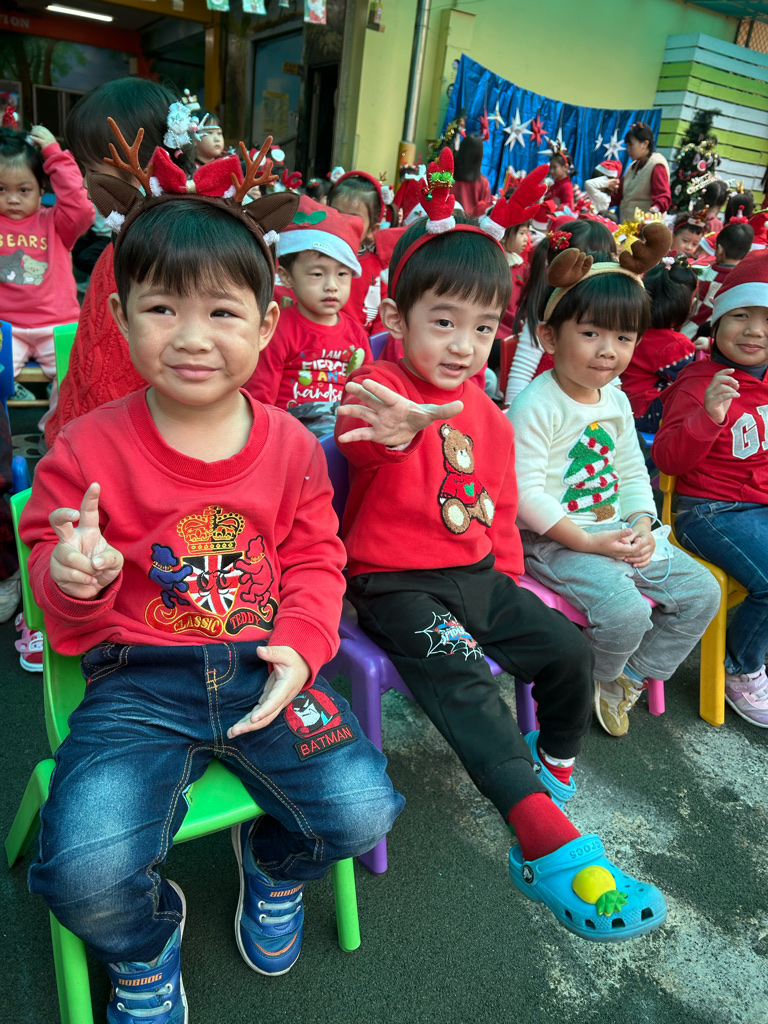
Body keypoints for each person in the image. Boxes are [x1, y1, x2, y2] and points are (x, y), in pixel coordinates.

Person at [19, 123, 403, 1024]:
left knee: (363, 811)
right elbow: (50, 579)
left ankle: (272, 864)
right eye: (161, 308)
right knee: (81, 873)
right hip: (138, 681)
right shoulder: (87, 448)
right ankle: (146, 943)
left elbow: (316, 556)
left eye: (223, 313)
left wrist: (303, 644)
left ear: (266, 325)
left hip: (266, 667)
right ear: (119, 317)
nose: (192, 338)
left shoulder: (291, 446)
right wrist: (71, 575)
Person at [334, 149, 668, 944]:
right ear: (397, 320)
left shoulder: (485, 411)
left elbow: (502, 505)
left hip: (479, 573)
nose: (463, 344)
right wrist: (397, 433)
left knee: (567, 650)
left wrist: (510, 580)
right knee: (461, 678)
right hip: (395, 584)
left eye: (483, 328)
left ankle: (551, 769)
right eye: (443, 322)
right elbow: (361, 448)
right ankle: (539, 835)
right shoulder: (379, 390)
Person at [509, 227, 720, 739]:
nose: (608, 351)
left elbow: (630, 471)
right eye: (591, 334)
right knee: (625, 612)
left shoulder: (617, 400)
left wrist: (644, 523)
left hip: (619, 531)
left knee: (702, 592)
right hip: (558, 540)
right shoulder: (536, 405)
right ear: (550, 337)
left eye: (624, 338)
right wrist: (587, 541)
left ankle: (626, 675)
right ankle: (594, 675)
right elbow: (524, 495)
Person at [45, 77, 195, 449]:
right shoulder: (119, 240)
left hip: (133, 443)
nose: (86, 183)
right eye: (83, 168)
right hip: (87, 430)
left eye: (95, 169)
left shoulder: (177, 253)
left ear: (152, 164)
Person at [652, 250, 768, 728]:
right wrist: (708, 417)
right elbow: (667, 460)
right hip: (709, 512)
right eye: (740, 315)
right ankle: (740, 668)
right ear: (716, 323)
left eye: (767, 319)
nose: (755, 330)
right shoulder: (697, 383)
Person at [246, 196, 372, 436]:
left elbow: (364, 390)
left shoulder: (356, 333)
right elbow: (261, 394)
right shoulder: (277, 328)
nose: (331, 286)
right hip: (290, 430)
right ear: (286, 276)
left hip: (340, 429)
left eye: (342, 274)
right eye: (317, 274)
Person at [0, 124, 93, 425]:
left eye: (23, 190)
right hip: (5, 327)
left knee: (76, 380)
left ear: (42, 189)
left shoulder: (57, 223)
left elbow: (82, 207)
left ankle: (58, 436)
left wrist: (55, 156)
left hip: (58, 325)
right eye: (1, 189)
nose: (12, 199)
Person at [504, 219, 617, 406]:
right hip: (546, 409)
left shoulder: (608, 314)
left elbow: (612, 379)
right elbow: (521, 373)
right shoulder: (546, 315)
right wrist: (511, 412)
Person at [621, 255, 697, 431]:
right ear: (687, 305)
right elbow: (689, 380)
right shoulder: (677, 344)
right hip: (647, 414)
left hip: (625, 405)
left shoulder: (629, 330)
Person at [328, 170, 387, 332]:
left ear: (372, 230)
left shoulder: (379, 270)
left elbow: (382, 321)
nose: (341, 223)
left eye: (352, 218)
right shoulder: (312, 256)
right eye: (335, 213)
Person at [687, 216, 754, 342]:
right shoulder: (745, 282)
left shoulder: (702, 273)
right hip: (718, 340)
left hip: (688, 332)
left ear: (720, 249)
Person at [609, 122, 670, 222]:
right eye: (627, 146)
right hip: (627, 225)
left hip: (645, 227)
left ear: (645, 144)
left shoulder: (656, 165)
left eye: (631, 145)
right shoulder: (633, 166)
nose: (628, 150)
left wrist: (652, 213)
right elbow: (618, 196)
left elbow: (663, 198)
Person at [451, 134, 492, 216]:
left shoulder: (449, 176)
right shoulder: (483, 182)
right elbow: (484, 209)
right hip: (471, 222)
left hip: (449, 220)